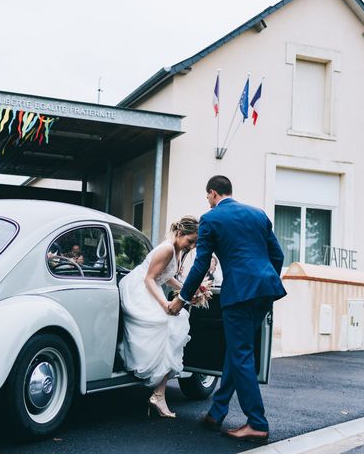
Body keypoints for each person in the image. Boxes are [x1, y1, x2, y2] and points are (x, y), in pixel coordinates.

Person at [168, 175, 286, 443]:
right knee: (238, 351)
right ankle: (216, 413)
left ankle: (257, 423)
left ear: (212, 194)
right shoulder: (258, 214)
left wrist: (182, 298)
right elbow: (277, 256)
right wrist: (264, 282)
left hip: (240, 294)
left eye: (207, 197)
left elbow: (201, 264)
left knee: (242, 355)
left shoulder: (211, 219)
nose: (207, 202)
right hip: (265, 291)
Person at [119, 215, 203, 418]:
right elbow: (149, 279)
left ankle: (159, 394)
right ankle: (158, 394)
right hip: (138, 289)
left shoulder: (177, 250)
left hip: (150, 287)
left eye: (194, 243)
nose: (191, 246)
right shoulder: (166, 248)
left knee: (177, 322)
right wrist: (164, 304)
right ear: (180, 233)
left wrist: (187, 290)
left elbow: (167, 277)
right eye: (190, 241)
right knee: (169, 322)